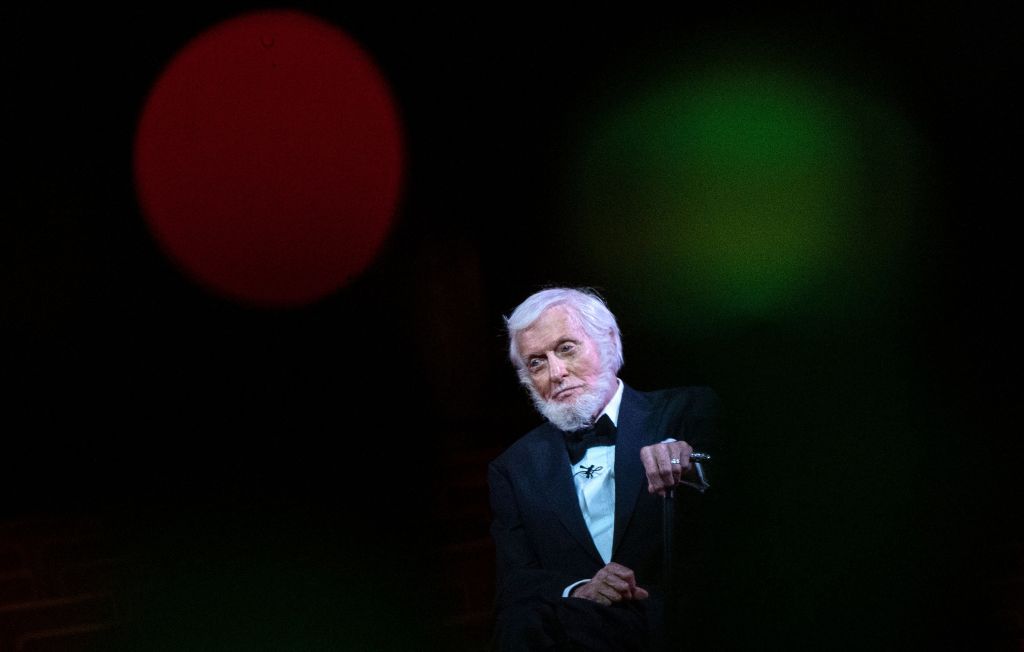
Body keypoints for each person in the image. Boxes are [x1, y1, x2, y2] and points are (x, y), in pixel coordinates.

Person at [488, 287, 718, 651]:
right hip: (572, 631)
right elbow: (515, 581)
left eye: (566, 348)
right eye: (536, 362)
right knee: (520, 622)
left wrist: (692, 465)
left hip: (676, 623)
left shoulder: (688, 411)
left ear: (608, 341)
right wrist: (580, 589)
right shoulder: (514, 467)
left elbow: (747, 502)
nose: (556, 372)